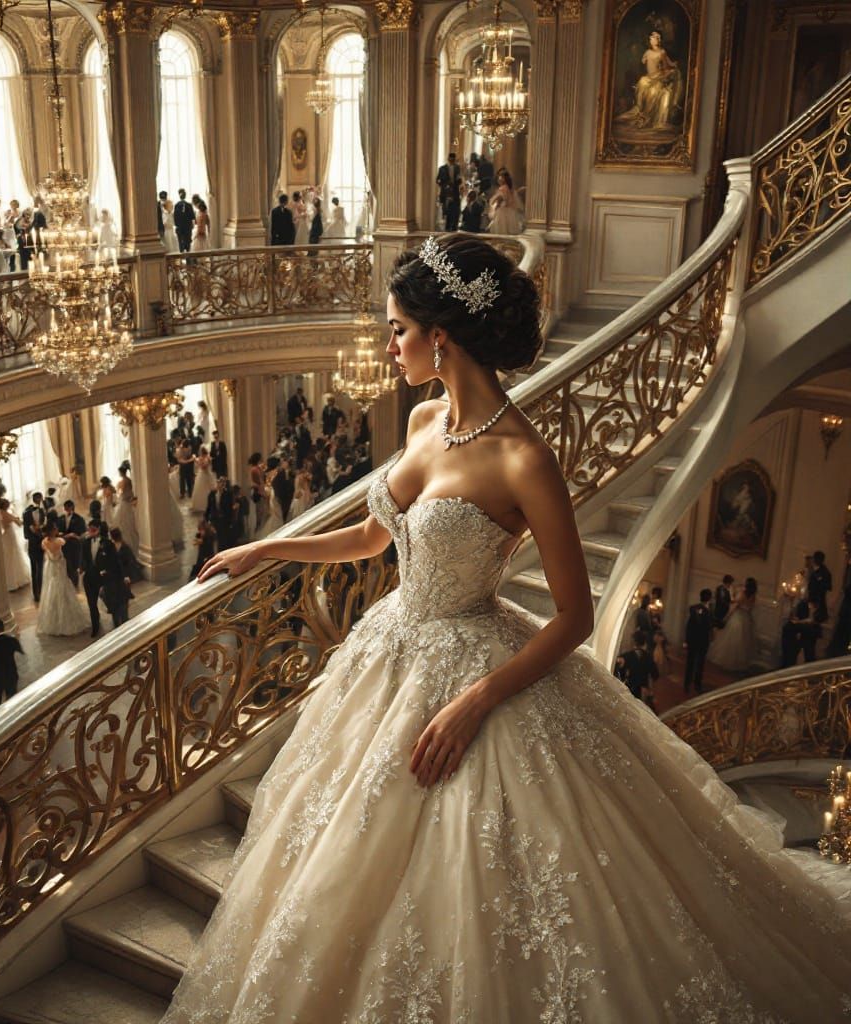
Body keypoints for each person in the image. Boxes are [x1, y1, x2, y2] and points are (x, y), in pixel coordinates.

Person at [168, 233, 851, 1023]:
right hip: (389, 653)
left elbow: (575, 616)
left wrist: (475, 701)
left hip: (474, 662)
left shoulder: (525, 459)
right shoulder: (425, 417)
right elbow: (374, 535)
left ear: (442, 336)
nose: (389, 345)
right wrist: (268, 547)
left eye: (398, 329)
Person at [36, 522, 90, 637]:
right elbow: (62, 541)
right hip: (59, 569)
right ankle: (64, 622)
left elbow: (53, 542)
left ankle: (52, 621)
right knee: (63, 590)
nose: (57, 529)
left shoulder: (44, 542)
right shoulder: (59, 542)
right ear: (52, 531)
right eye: (55, 528)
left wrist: (59, 535)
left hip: (51, 568)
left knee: (50, 590)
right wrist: (69, 536)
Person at [708, 577, 757, 672]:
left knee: (731, 640)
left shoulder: (742, 594)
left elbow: (733, 606)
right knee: (743, 642)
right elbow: (750, 608)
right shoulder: (753, 596)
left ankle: (727, 662)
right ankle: (739, 663)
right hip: (746, 618)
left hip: (738, 617)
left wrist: (725, 618)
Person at [96, 523, 130, 628]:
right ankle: (122, 623)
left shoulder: (110, 547)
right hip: (117, 581)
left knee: (117, 604)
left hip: (115, 581)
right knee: (120, 604)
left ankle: (120, 624)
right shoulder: (115, 547)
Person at [613, 630, 659, 709]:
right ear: (645, 643)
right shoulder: (648, 657)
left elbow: (618, 673)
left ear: (633, 642)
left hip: (629, 690)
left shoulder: (625, 656)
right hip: (644, 691)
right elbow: (655, 675)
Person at [683, 587, 714, 694]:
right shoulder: (708, 611)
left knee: (690, 663)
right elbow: (709, 626)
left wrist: (686, 640)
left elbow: (689, 626)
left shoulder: (693, 608)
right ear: (709, 598)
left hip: (692, 640)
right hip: (702, 641)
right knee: (700, 664)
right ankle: (697, 685)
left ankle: (687, 684)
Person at [0, 498, 31, 591]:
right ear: (5, 505)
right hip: (9, 535)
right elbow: (19, 523)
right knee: (13, 556)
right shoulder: (6, 513)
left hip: (5, 535)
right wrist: (18, 518)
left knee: (8, 557)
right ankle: (14, 581)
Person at [79, 520, 105, 637]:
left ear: (99, 529)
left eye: (93, 530)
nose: (91, 532)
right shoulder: (85, 542)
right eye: (90, 530)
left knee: (108, 600)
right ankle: (95, 625)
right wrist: (81, 567)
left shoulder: (106, 542)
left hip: (102, 576)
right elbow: (83, 557)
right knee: (91, 603)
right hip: (89, 577)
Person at [22, 491, 47, 602]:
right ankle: (36, 594)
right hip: (32, 545)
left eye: (40, 499)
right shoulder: (26, 514)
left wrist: (42, 534)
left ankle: (41, 592)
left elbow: (44, 527)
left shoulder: (42, 511)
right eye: (38, 498)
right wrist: (35, 535)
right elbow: (26, 534)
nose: (39, 500)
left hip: (41, 544)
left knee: (40, 569)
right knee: (34, 569)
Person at [58, 499, 87, 587]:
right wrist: (63, 535)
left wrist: (74, 535)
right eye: (65, 507)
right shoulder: (61, 518)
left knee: (75, 565)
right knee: (67, 565)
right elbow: (58, 530)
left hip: (74, 545)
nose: (66, 509)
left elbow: (82, 532)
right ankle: (68, 584)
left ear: (72, 507)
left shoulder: (79, 518)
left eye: (68, 507)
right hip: (64, 545)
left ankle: (75, 584)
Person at [487, 169, 524, 235]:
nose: (499, 179)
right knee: (508, 230)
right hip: (510, 211)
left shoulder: (503, 188)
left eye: (500, 177)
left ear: (504, 179)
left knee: (501, 230)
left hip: (503, 211)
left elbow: (502, 198)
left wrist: (496, 205)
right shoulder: (510, 188)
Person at [113, 463, 139, 553]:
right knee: (128, 522)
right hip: (127, 502)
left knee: (123, 523)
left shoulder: (124, 481)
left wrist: (118, 488)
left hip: (124, 503)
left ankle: (127, 542)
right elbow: (130, 492)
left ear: (121, 472)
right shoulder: (129, 480)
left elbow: (121, 491)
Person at [807, 549, 832, 622]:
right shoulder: (814, 569)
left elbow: (825, 584)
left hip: (818, 597)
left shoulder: (825, 571)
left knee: (816, 616)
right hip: (813, 595)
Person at [190, 446, 216, 516]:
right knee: (200, 489)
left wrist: (199, 462)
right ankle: (201, 505)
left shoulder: (207, 458)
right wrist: (197, 461)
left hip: (205, 474)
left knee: (206, 489)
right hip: (202, 474)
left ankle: (207, 504)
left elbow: (204, 467)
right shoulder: (203, 458)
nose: (200, 453)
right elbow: (201, 465)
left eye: (201, 452)